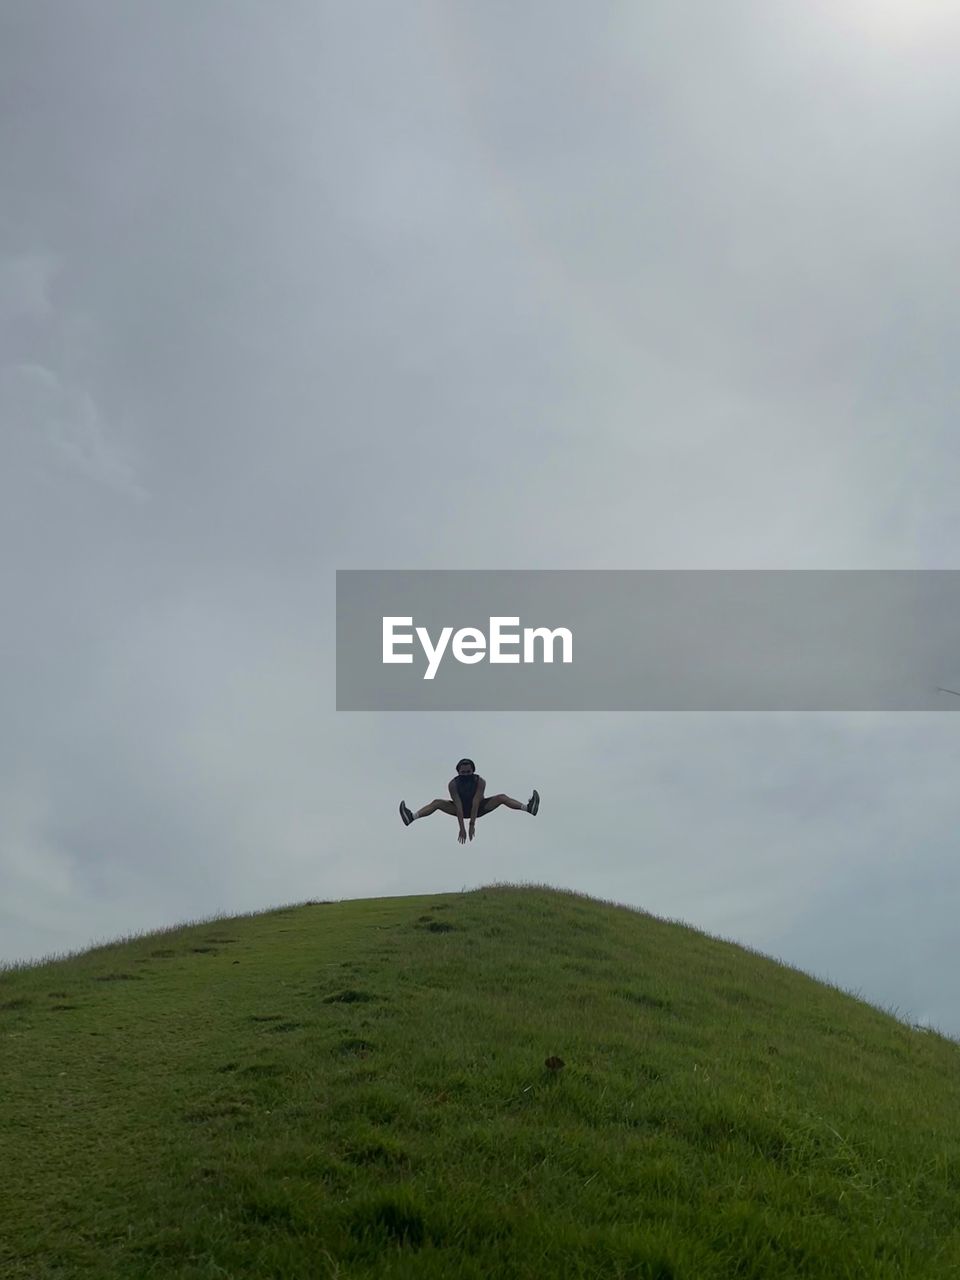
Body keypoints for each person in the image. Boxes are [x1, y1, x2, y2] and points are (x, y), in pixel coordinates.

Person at [400, 758, 539, 844]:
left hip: (478, 809)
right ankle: (411, 817)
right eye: (463, 772)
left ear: (472, 771)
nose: (465, 775)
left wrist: (472, 824)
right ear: (458, 772)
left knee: (502, 797)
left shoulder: (480, 781)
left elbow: (476, 802)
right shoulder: (453, 784)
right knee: (436, 802)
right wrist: (461, 828)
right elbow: (459, 806)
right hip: (460, 809)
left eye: (468, 772)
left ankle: (528, 808)